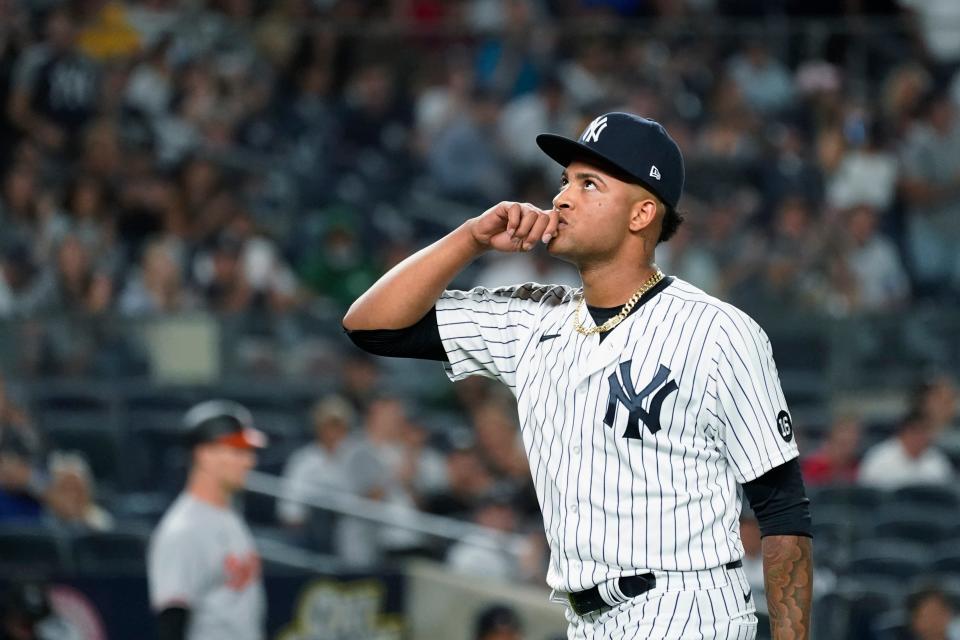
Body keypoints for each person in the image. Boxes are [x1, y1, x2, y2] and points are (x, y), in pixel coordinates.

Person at [344, 112, 813, 638]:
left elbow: (783, 512)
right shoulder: (531, 320)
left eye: (589, 184)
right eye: (564, 181)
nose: (562, 198)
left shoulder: (717, 331)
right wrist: (470, 239)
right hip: (582, 618)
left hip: (687, 609)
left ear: (641, 214)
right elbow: (372, 327)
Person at [147, 400, 267, 640]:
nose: (249, 461)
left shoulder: (228, 513)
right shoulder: (182, 530)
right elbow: (171, 624)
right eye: (238, 452)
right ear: (205, 455)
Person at [858, 409, 953, 490]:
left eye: (924, 431)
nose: (920, 436)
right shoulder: (879, 458)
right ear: (903, 431)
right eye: (915, 431)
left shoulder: (937, 461)